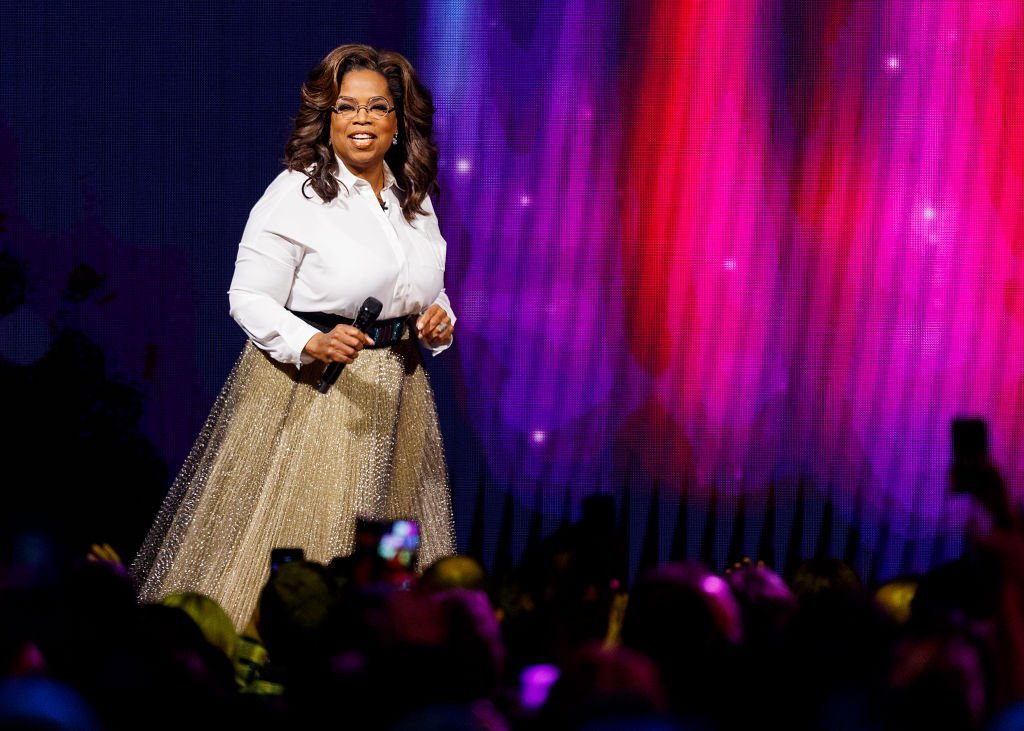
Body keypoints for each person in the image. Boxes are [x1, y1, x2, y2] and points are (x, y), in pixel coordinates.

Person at [131, 43, 457, 630]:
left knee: (386, 547)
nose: (361, 119)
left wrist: (437, 321)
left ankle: (372, 659)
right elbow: (247, 296)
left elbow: (422, 288)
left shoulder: (413, 198)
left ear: (398, 120)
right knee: (315, 541)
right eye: (345, 107)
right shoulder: (300, 192)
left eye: (376, 107)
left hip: (398, 394)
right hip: (322, 393)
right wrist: (308, 342)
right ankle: (277, 660)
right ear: (326, 117)